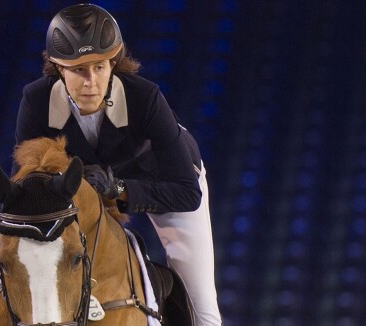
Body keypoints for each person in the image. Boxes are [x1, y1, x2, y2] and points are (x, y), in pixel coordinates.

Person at [12, 4, 222, 325]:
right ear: (58, 68)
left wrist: (120, 189)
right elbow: (26, 191)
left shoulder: (145, 97)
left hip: (162, 182)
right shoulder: (36, 101)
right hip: (85, 193)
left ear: (114, 62)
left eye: (99, 67)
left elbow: (187, 194)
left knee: (201, 305)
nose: (90, 82)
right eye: (78, 70)